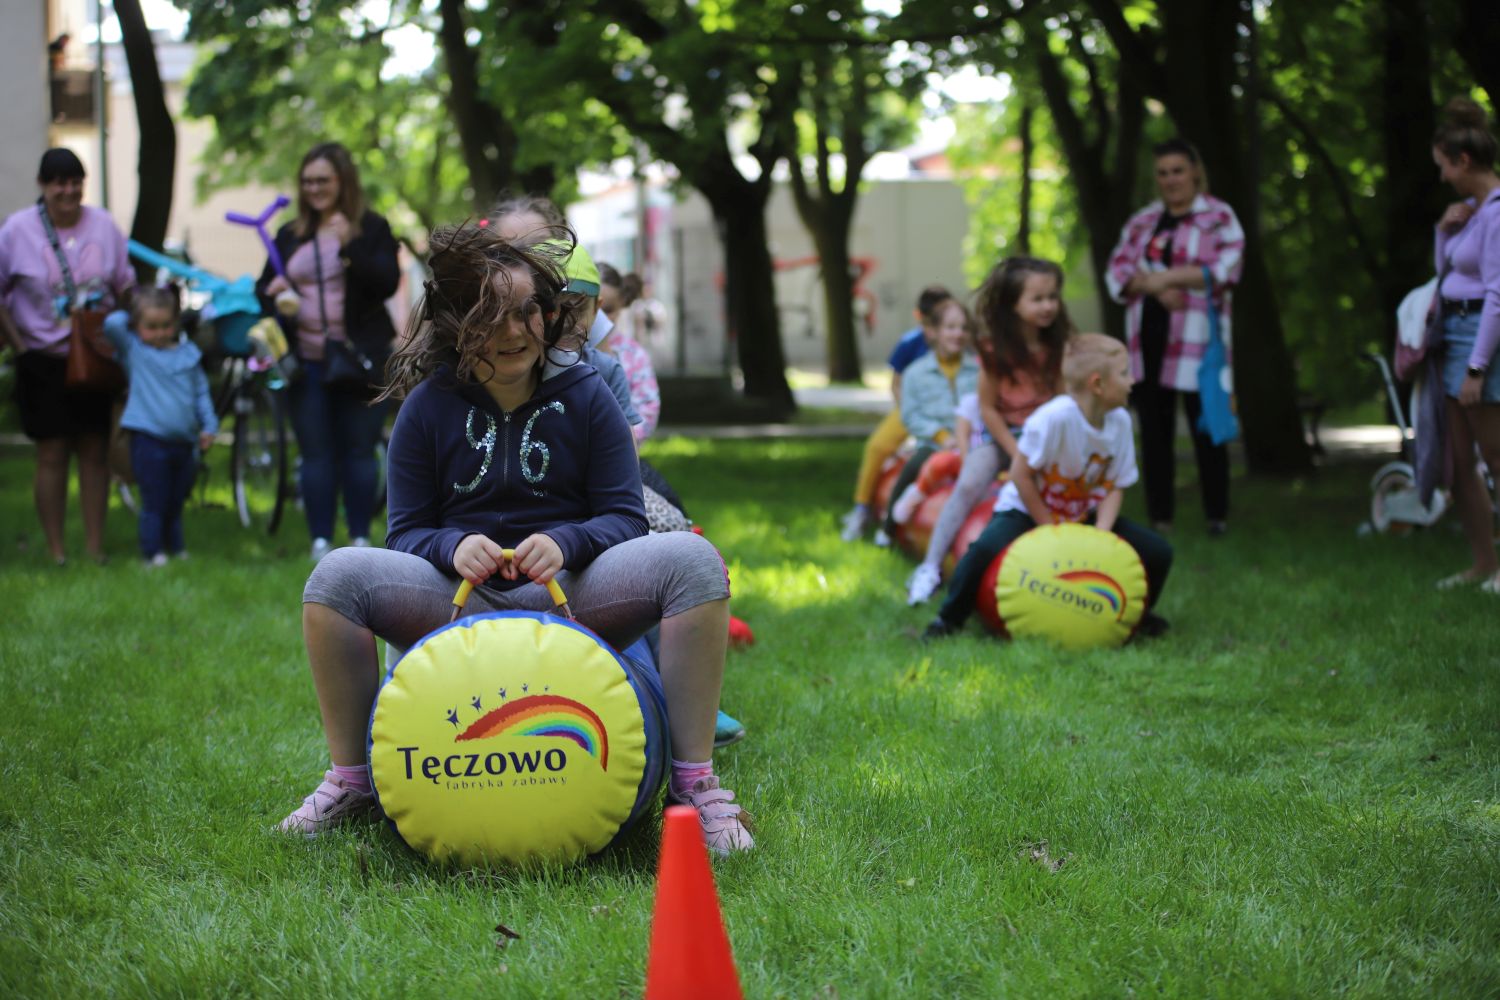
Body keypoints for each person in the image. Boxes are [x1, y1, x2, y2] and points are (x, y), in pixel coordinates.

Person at [278, 226, 753, 854]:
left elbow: (625, 517)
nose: (514, 331)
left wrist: (569, 541)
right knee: (335, 577)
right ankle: (355, 780)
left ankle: (693, 784)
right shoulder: (426, 407)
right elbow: (406, 533)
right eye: (491, 315)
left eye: (528, 310)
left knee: (692, 560)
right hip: (459, 601)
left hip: (574, 595)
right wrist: (450, 548)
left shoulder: (585, 393)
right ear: (454, 323)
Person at [923, 334, 1172, 640]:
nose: (1132, 381)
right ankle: (948, 620)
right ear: (1098, 384)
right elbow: (1020, 474)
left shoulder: (1119, 422)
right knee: (983, 550)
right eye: (1124, 373)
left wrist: (1103, 534)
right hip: (1028, 509)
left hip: (1082, 512)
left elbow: (1115, 485)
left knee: (1158, 553)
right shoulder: (1053, 419)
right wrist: (1048, 528)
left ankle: (1138, 619)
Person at [258, 142, 400, 562]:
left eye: (323, 180)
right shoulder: (289, 234)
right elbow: (265, 289)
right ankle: (320, 539)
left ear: (343, 182)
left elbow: (386, 282)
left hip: (362, 358)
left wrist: (350, 246)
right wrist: (275, 293)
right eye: (307, 181)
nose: (314, 188)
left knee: (359, 447)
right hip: (308, 361)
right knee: (315, 451)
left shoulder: (371, 227)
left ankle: (358, 536)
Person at [904, 258, 1070, 605]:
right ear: (1013, 304)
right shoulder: (995, 349)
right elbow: (989, 408)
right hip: (1000, 434)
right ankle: (930, 567)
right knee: (967, 483)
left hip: (1043, 435)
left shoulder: (1058, 346)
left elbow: (1061, 399)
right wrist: (1014, 450)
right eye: (1037, 299)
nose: (1048, 306)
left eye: (1052, 297)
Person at [0, 148, 135, 566]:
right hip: (42, 356)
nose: (69, 190)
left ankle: (95, 549)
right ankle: (57, 551)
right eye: (59, 182)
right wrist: (20, 346)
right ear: (44, 185)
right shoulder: (17, 230)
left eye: (76, 181)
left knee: (95, 451)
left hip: (95, 356)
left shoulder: (104, 226)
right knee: (52, 453)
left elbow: (126, 286)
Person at [1105, 137, 1245, 537]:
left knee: (1207, 428)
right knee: (1154, 432)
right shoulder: (1143, 221)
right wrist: (1154, 289)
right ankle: (1160, 518)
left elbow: (1226, 268)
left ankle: (1217, 515)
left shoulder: (1218, 216)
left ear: (1195, 171)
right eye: (1163, 173)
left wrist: (1164, 277)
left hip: (1199, 343)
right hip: (1148, 341)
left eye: (1178, 170)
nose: (1171, 180)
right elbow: (1117, 271)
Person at [1429, 97, 1500, 594]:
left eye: (1443, 167)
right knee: (1457, 459)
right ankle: (1483, 563)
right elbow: (1446, 273)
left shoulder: (1497, 214)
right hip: (1452, 335)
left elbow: (1499, 292)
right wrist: (1443, 231)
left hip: (1479, 340)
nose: (1441, 177)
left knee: (1496, 454)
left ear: (1464, 162)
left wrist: (1477, 367)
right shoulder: (1471, 214)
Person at [102, 288, 217, 565]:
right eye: (150, 326)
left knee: (176, 500)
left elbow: (201, 393)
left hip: (183, 441)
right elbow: (112, 324)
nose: (160, 332)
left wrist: (209, 425)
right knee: (154, 500)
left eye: (166, 325)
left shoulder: (188, 355)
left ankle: (176, 547)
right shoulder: (135, 352)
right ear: (137, 325)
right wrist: (133, 307)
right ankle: (151, 552)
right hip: (148, 440)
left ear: (175, 323)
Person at [840, 285, 953, 543]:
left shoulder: (961, 346)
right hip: (912, 409)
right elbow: (896, 383)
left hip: (947, 415)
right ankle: (862, 507)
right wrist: (912, 412)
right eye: (934, 320)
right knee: (877, 447)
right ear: (921, 319)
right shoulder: (911, 343)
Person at [881, 297, 979, 540]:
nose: (958, 334)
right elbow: (911, 415)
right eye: (951, 327)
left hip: (974, 442)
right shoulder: (916, 372)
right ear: (933, 332)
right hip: (933, 443)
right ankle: (889, 530)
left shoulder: (978, 371)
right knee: (913, 468)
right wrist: (942, 436)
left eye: (964, 328)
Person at [598, 262, 661, 443]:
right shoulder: (566, 352)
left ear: (622, 305)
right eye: (593, 306)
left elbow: (647, 409)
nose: (599, 316)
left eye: (608, 309)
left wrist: (621, 440)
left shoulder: (634, 355)